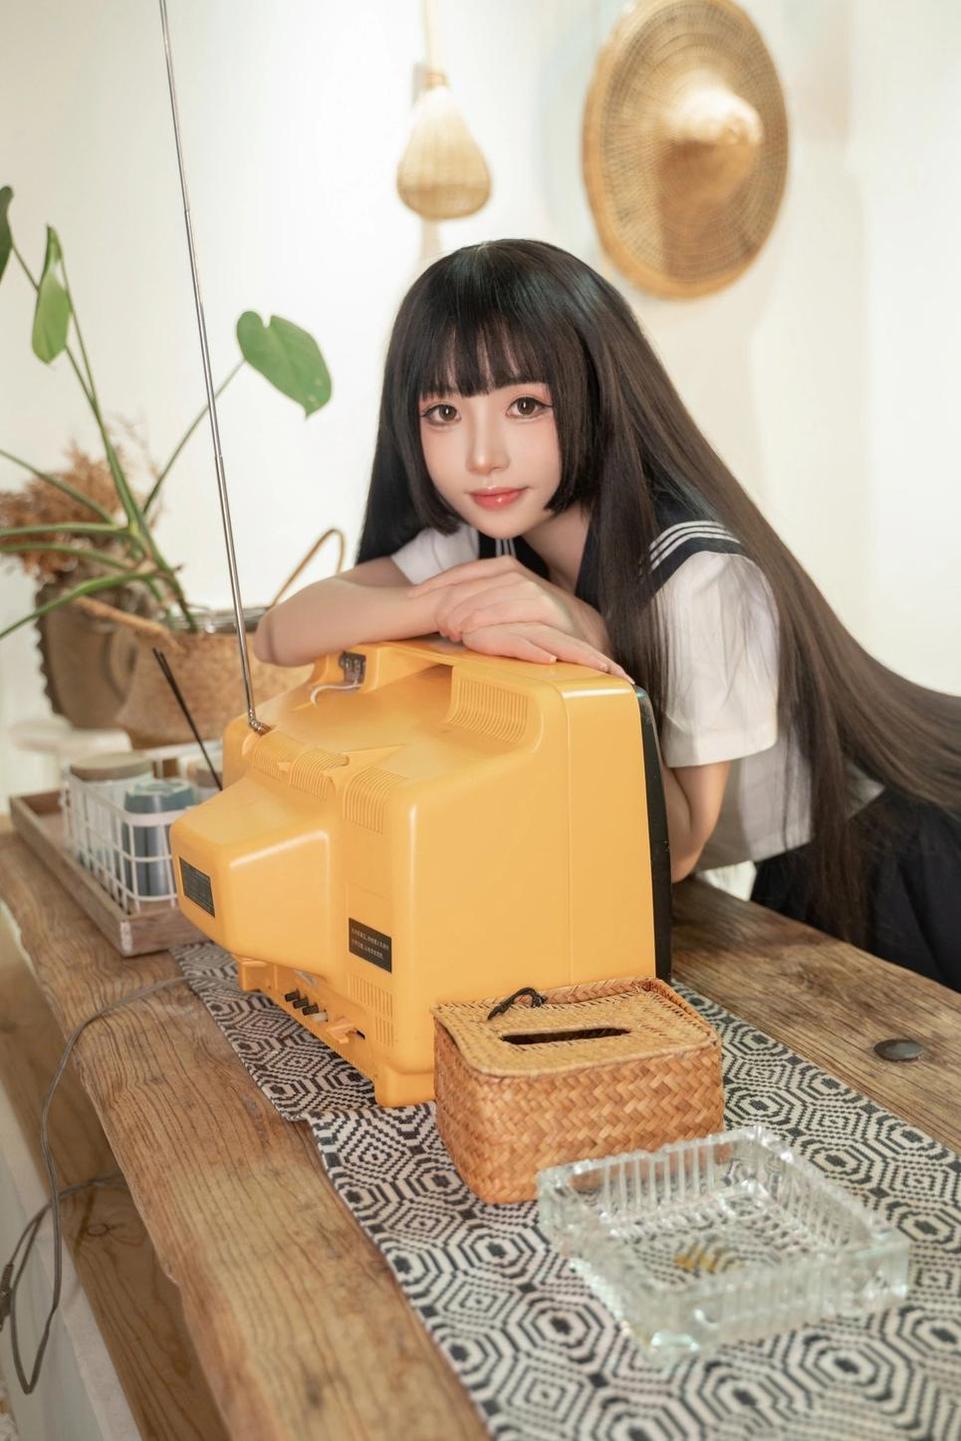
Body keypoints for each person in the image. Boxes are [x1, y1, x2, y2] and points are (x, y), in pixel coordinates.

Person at [254, 239, 961, 989]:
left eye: (525, 405)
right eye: (444, 412)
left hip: (896, 845)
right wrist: (436, 599)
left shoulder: (697, 577)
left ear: (596, 391)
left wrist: (589, 641)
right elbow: (280, 631)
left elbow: (675, 849)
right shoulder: (485, 541)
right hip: (800, 857)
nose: (482, 455)